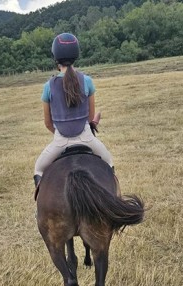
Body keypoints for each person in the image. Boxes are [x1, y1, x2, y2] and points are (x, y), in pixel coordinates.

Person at [33, 33, 114, 188]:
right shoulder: (87, 81)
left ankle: (40, 212)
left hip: (59, 141)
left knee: (38, 169)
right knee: (109, 162)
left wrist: (61, 133)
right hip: (86, 138)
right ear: (76, 55)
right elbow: (90, 118)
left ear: (56, 58)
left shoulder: (48, 86)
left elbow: (48, 123)